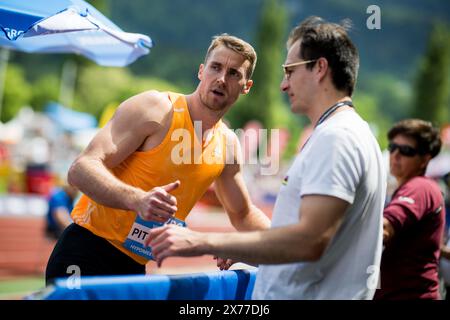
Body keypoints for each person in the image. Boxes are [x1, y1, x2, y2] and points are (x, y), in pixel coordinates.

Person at [146, 16, 386, 300]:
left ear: (320, 68)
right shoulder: (351, 132)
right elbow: (313, 250)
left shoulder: (336, 138)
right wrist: (241, 248)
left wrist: (202, 241)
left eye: (290, 70)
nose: (284, 85)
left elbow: (310, 242)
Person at [45, 34, 271, 285]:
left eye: (233, 73)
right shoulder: (156, 109)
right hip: (87, 250)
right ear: (201, 71)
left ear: (246, 86)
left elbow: (242, 213)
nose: (221, 79)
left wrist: (287, 243)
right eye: (215, 67)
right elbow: (80, 169)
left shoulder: (228, 144)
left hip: (134, 268)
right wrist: (137, 199)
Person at [374, 119, 445, 300]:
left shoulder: (420, 187)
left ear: (425, 159)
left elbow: (384, 228)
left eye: (406, 151)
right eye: (393, 147)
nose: (395, 155)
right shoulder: (412, 187)